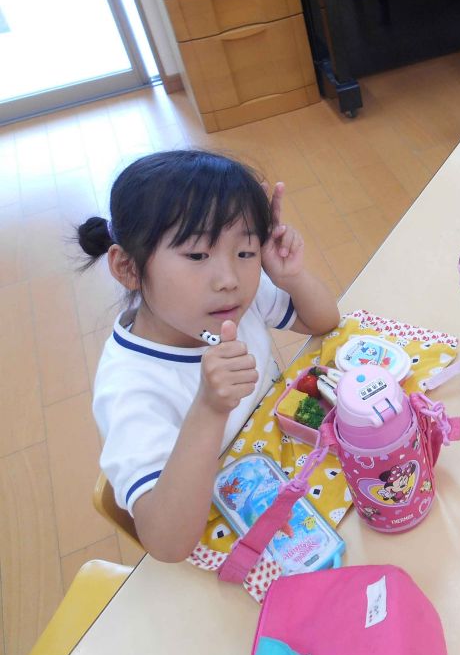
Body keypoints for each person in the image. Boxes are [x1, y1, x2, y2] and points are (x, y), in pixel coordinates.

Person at [76, 149, 340, 562]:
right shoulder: (130, 388)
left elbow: (323, 321)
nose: (229, 278)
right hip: (230, 535)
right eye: (198, 256)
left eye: (245, 251)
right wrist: (209, 408)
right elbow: (166, 543)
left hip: (294, 470)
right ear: (128, 268)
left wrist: (290, 276)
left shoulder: (231, 303)